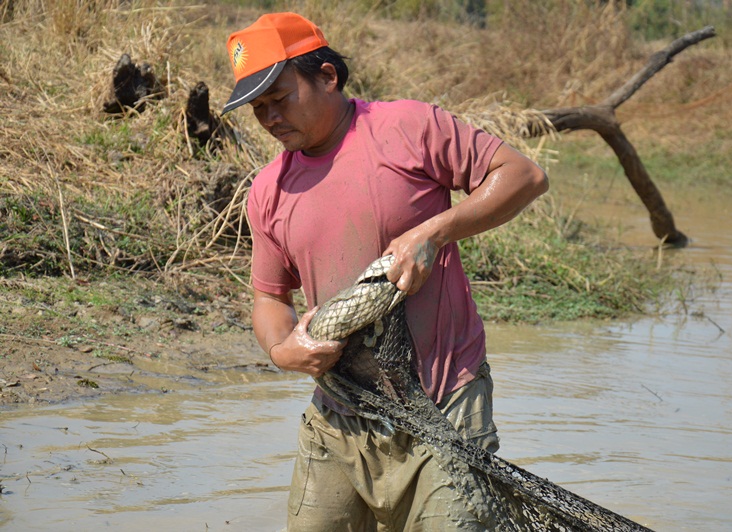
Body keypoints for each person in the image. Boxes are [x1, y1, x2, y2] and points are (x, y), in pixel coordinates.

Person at [221, 12, 548, 531]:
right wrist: (283, 350)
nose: (270, 118)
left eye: (279, 99)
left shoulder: (409, 127)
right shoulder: (268, 190)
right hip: (338, 416)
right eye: (259, 109)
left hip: (445, 407)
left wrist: (434, 233)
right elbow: (269, 298)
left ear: (327, 76)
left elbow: (522, 175)